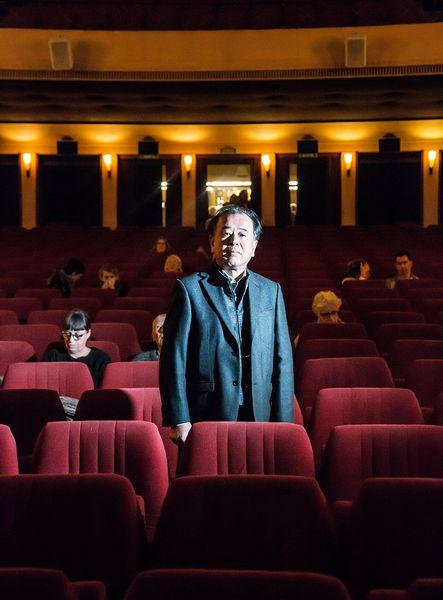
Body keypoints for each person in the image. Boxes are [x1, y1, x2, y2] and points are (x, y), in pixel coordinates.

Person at [160, 204, 294, 445]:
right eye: (226, 233)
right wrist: (179, 418)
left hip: (258, 413)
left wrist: (284, 421)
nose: (234, 241)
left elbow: (282, 360)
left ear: (254, 246)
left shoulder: (271, 291)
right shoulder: (189, 289)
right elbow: (173, 359)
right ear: (212, 241)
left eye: (243, 234)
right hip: (206, 413)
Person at [43, 309, 111, 388]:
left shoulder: (101, 359)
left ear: (88, 333)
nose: (71, 340)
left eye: (78, 335)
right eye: (67, 334)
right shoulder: (53, 357)